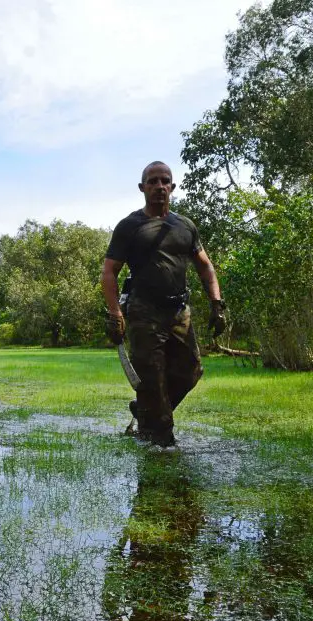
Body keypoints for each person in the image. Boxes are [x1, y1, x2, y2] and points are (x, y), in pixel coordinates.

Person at [100, 162, 226, 447]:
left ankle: (146, 408)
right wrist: (114, 313)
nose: (159, 186)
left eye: (165, 181)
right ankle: (161, 443)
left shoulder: (185, 226)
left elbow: (205, 267)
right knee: (153, 380)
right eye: (153, 181)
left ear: (172, 187)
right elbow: (109, 272)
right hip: (144, 313)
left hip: (179, 312)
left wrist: (217, 304)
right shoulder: (130, 227)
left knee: (191, 371)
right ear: (142, 188)